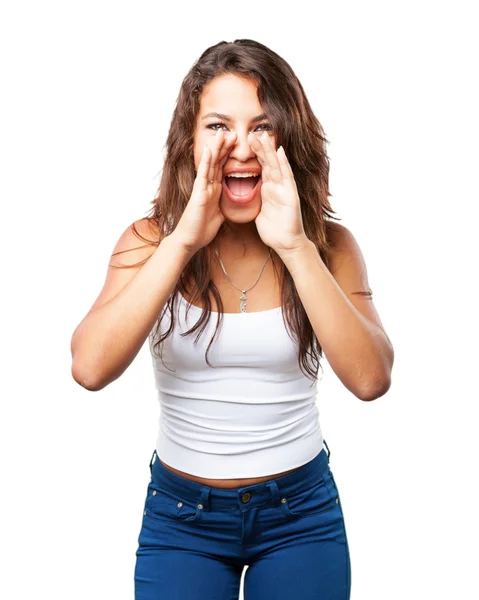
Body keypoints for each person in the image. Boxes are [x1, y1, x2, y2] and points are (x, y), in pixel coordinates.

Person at [70, 39, 394, 600]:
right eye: (218, 126)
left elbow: (371, 379)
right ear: (189, 142)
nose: (239, 147)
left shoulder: (329, 246)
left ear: (288, 139)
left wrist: (295, 245)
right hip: (182, 519)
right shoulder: (148, 243)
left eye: (261, 126)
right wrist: (183, 241)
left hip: (300, 515)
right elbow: (89, 367)